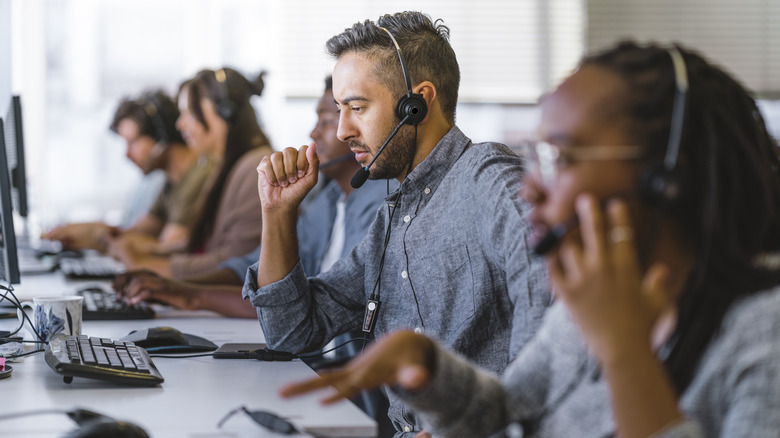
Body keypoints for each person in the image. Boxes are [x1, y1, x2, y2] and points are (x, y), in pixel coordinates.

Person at [279, 41, 780, 438]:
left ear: (667, 175)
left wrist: (627, 355)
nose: (533, 185)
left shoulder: (761, 335)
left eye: (559, 158)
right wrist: (430, 370)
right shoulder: (587, 308)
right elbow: (508, 411)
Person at [244, 11, 550, 436]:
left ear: (417, 104)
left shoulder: (488, 178)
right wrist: (277, 213)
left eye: (357, 107)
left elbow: (550, 306)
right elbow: (293, 331)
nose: (345, 129)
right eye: (339, 109)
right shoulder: (392, 219)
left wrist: (489, 427)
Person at [113, 76, 390, 319]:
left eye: (326, 121)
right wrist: (178, 289)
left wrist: (187, 294)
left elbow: (311, 306)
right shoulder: (329, 199)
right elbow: (254, 265)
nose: (313, 133)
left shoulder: (377, 205)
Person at [107, 68, 272, 279]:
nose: (180, 124)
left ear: (224, 112)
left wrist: (146, 265)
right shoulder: (223, 167)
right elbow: (202, 248)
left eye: (189, 113)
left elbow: (236, 263)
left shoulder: (255, 169)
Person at [42, 90, 214, 254]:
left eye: (133, 143)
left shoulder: (199, 177)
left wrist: (100, 237)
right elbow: (137, 233)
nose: (127, 154)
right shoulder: (170, 183)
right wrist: (86, 232)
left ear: (161, 135)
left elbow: (168, 248)